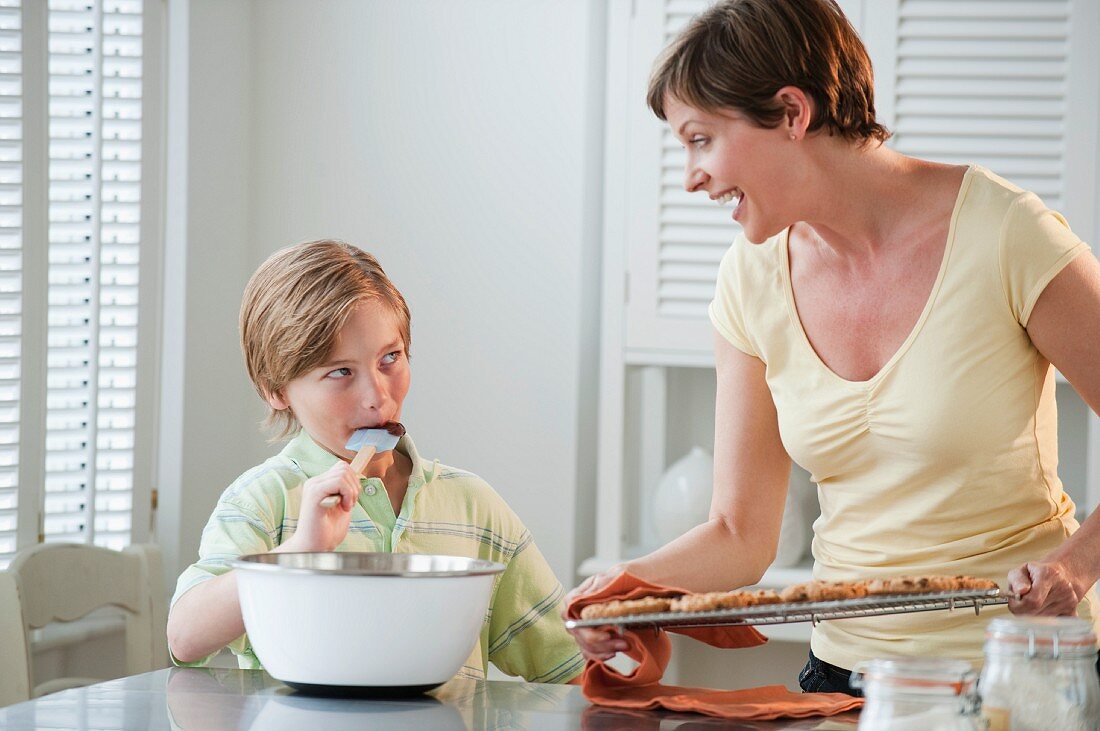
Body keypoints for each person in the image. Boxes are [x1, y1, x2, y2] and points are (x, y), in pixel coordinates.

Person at [566, 0, 1100, 695]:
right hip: (845, 679)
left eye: (700, 139)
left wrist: (1078, 563)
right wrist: (621, 590)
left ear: (792, 113)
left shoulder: (1006, 234)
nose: (691, 175)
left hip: (1019, 672)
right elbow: (737, 532)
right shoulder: (750, 278)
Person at [167, 240, 584, 685]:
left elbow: (568, 669)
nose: (378, 397)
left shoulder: (473, 506)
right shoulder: (262, 502)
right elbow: (185, 637)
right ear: (276, 388)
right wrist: (301, 550)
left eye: (391, 358)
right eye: (340, 372)